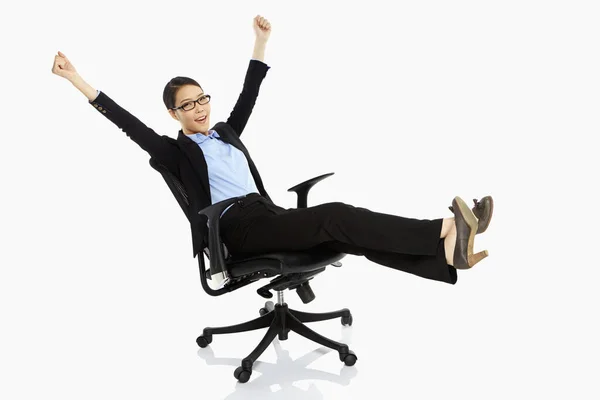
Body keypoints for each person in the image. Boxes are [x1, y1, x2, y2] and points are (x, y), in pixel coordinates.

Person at [51, 15, 493, 286]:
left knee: (343, 232)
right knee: (335, 213)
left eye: (203, 99)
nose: (200, 108)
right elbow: (127, 124)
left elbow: (248, 95)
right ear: (174, 114)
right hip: (236, 229)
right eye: (188, 105)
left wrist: (260, 43)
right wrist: (77, 80)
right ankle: (444, 228)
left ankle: (444, 256)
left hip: (267, 215)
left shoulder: (226, 133)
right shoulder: (174, 152)